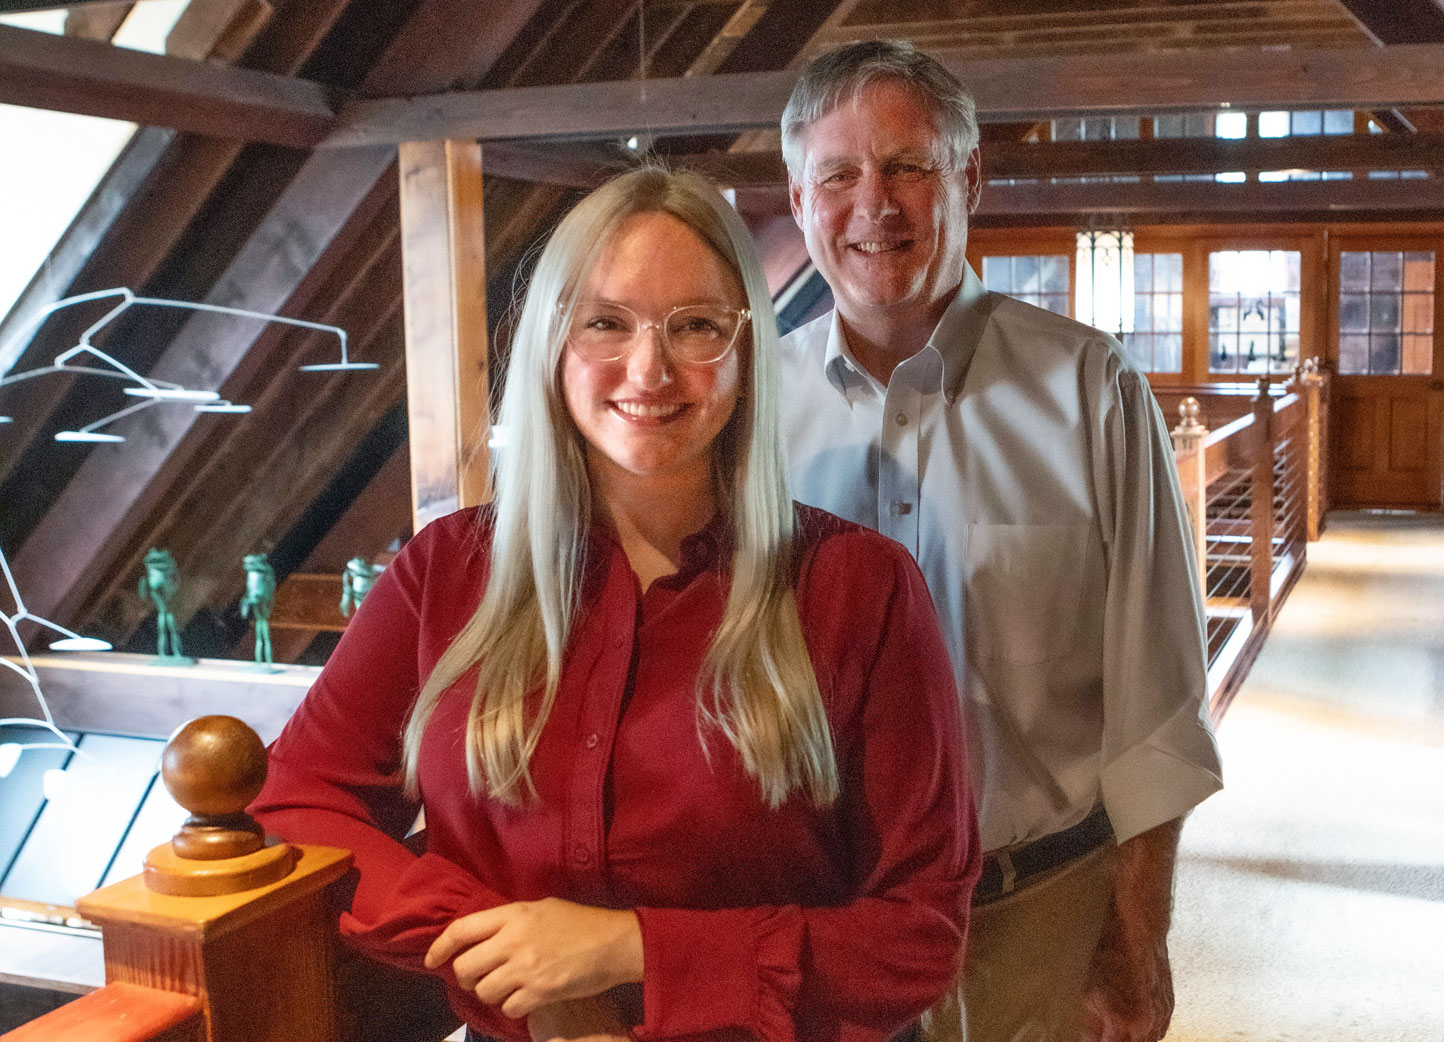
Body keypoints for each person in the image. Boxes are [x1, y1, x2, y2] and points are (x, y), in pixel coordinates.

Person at [250, 165, 979, 1042]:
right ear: (553, 346)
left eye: (697, 327)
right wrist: (496, 947)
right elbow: (291, 795)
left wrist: (628, 950)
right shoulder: (445, 570)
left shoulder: (860, 586)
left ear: (748, 355)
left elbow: (919, 933)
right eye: (606, 322)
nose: (649, 368)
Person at [778, 41, 1224, 1042]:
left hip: (1035, 912)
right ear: (798, 198)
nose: (872, 204)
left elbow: (1157, 699)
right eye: (838, 174)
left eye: (907, 166)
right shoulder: (742, 411)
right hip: (811, 922)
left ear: (968, 177)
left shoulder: (1089, 390)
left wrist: (1134, 935)